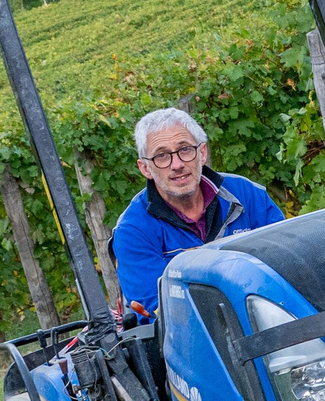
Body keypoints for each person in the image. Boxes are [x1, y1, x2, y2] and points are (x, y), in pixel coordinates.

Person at [111, 108, 284, 315]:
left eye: (185, 150)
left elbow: (284, 263)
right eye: (162, 156)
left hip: (270, 315)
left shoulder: (249, 196)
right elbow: (162, 312)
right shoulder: (132, 231)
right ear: (145, 168)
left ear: (202, 153)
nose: (177, 164)